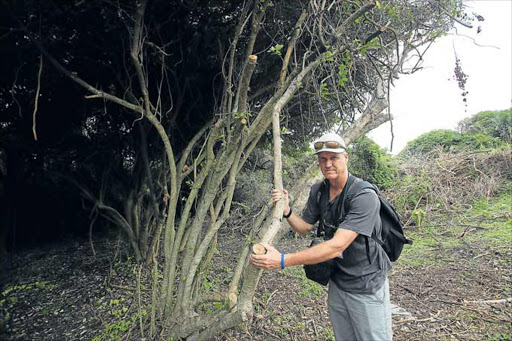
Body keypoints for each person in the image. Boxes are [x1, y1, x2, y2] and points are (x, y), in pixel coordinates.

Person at [250, 132, 392, 341]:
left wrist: (282, 260)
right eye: (322, 159)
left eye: (334, 157)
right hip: (337, 281)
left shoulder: (364, 196)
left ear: (346, 157)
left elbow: (336, 247)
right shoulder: (319, 190)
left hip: (366, 285)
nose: (328, 164)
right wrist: (287, 210)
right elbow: (305, 227)